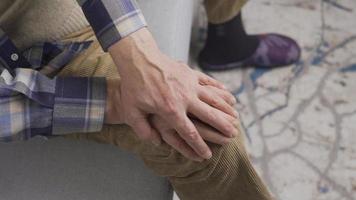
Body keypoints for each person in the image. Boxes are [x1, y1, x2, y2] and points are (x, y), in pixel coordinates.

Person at [0, 0, 300, 199]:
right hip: (29, 53)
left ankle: (227, 35)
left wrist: (140, 58)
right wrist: (116, 101)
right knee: (205, 135)